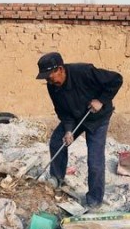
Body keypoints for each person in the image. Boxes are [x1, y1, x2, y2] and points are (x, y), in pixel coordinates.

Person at [36, 51, 123, 208]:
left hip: (97, 118)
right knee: (57, 141)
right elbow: (62, 111)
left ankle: (94, 200)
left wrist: (101, 100)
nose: (48, 80)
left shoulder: (84, 72)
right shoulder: (52, 86)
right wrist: (69, 130)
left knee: (95, 161)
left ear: (60, 69)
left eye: (49, 76)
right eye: (46, 78)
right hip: (75, 117)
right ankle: (57, 179)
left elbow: (116, 79)